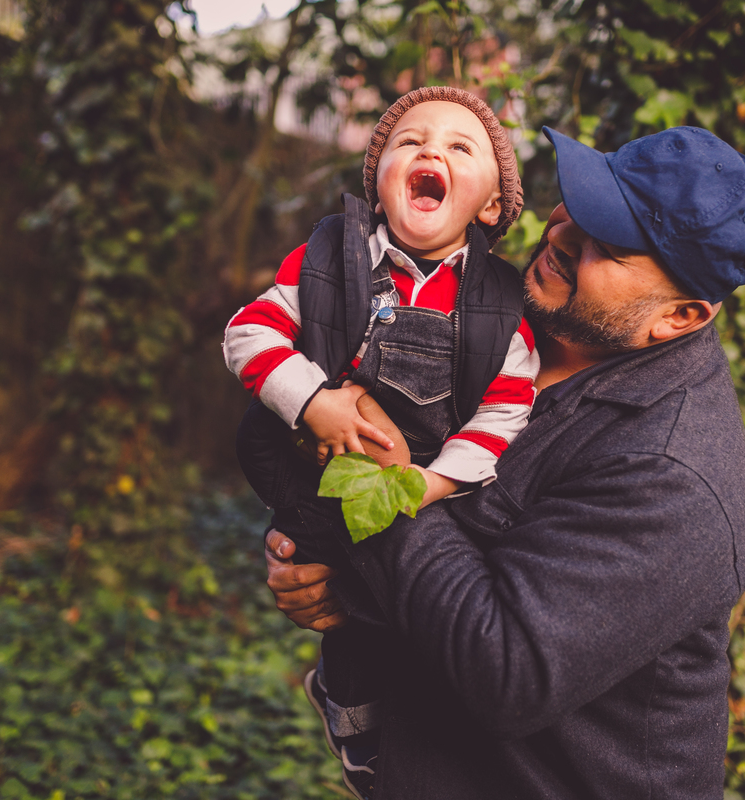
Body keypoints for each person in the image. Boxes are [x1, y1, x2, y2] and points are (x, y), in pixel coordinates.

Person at [263, 124, 745, 799]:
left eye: (609, 246)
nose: (562, 237)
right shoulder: (491, 315)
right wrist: (336, 574)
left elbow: (507, 669)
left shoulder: (672, 476)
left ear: (678, 317)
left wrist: (381, 476)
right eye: (580, 204)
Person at [222, 87, 539, 796]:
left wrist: (433, 484)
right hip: (313, 479)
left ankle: (393, 738)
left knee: (391, 623)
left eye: (461, 148)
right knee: (336, 611)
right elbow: (248, 333)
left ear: (490, 205)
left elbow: (502, 415)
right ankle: (352, 720)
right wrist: (314, 403)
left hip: (411, 498)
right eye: (410, 141)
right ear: (380, 182)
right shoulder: (327, 260)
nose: (431, 151)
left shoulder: (499, 308)